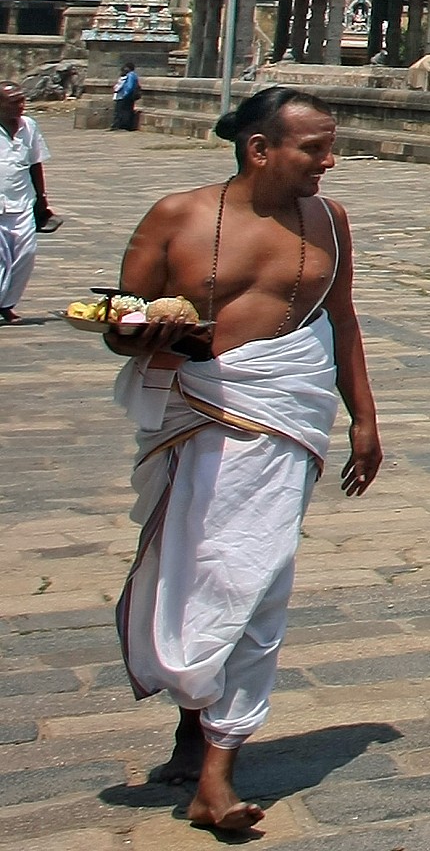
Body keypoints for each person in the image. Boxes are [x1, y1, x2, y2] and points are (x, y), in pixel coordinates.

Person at [105, 86, 382, 834]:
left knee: (255, 579)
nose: (329, 161)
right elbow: (122, 320)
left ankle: (219, 768)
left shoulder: (329, 221)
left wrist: (364, 417)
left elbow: (343, 315)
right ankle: (193, 728)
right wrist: (140, 331)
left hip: (285, 418)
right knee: (197, 571)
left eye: (331, 145)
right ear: (261, 150)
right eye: (313, 148)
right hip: (197, 415)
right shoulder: (179, 217)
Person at [0, 81, 58, 322]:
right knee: (1, 259)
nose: (21, 106)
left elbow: (36, 164)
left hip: (22, 202)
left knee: (26, 254)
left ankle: (7, 302)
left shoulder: (29, 127)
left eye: (23, 100)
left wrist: (42, 200)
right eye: (14, 102)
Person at [113, 61, 142, 130]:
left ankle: (124, 126)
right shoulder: (133, 75)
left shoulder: (130, 75)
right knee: (127, 110)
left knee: (124, 111)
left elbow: (129, 86)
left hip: (127, 96)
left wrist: (125, 94)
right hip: (130, 96)